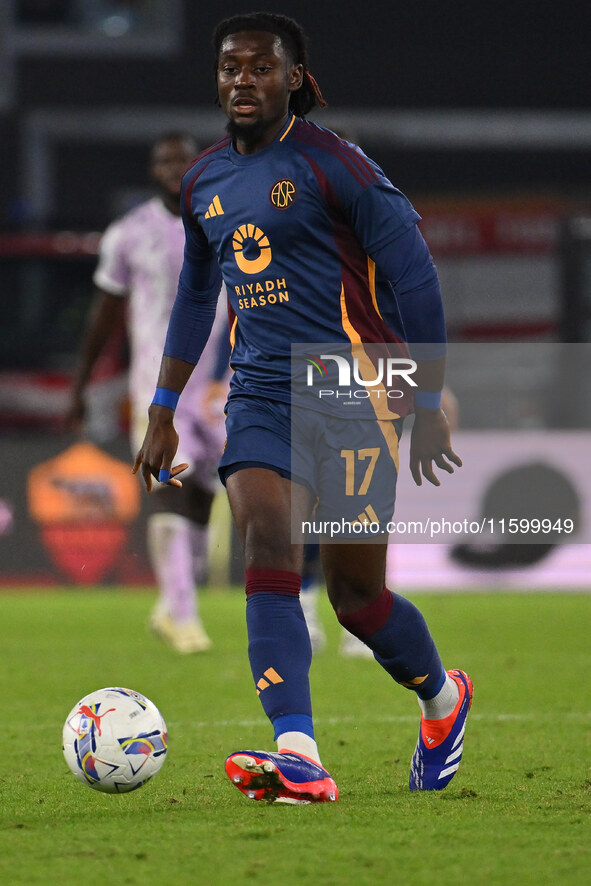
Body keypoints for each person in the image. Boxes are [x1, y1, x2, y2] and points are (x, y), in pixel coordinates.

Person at [134, 12, 471, 803]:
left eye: (259, 68)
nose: (241, 81)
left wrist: (424, 399)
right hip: (258, 387)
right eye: (228, 68)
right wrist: (162, 406)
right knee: (266, 537)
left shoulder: (337, 166)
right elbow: (195, 292)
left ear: (292, 79)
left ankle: (443, 701)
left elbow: (415, 278)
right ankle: (299, 755)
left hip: (353, 387)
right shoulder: (204, 180)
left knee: (356, 599)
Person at [68, 131, 230, 654]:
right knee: (168, 486)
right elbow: (104, 318)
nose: (174, 167)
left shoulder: (226, 222)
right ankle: (183, 612)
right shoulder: (129, 234)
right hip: (157, 390)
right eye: (165, 160)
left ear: (198, 164)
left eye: (183, 159)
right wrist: (81, 384)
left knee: (204, 490)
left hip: (219, 387)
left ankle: (173, 600)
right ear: (153, 169)